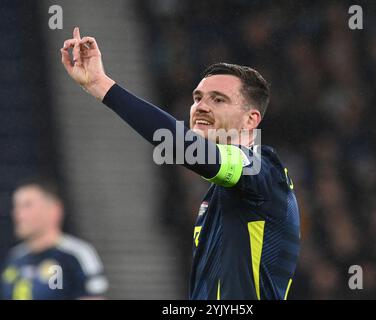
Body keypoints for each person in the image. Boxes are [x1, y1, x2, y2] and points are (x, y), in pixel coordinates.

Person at [60, 27, 300, 300]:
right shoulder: (222, 193)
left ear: (251, 120)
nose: (201, 106)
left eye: (218, 99)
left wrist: (100, 85)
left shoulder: (262, 170)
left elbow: (186, 148)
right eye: (197, 98)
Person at [0, 178, 108, 300]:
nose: (18, 214)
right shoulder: (15, 257)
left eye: (27, 205)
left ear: (54, 209)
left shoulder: (76, 255)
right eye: (16, 206)